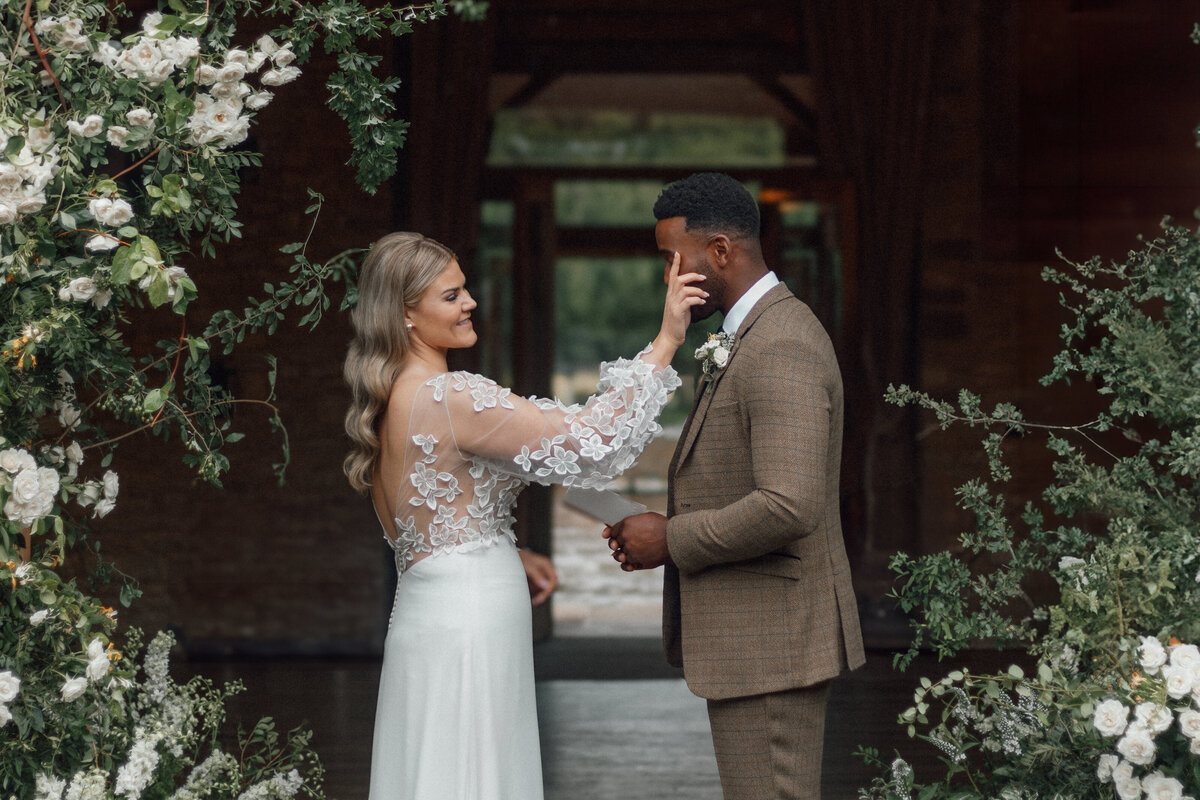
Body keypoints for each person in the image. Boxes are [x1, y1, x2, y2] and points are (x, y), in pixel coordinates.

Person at [342, 231, 704, 800]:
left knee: (437, 766)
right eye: (451, 296)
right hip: (469, 615)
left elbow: (433, 532)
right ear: (406, 314)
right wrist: (664, 343)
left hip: (425, 612)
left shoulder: (389, 399)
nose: (470, 304)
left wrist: (510, 553)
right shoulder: (449, 396)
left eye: (465, 290)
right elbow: (591, 443)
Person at [604, 173, 866, 800]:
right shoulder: (747, 336)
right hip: (757, 643)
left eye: (675, 258)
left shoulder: (780, 343)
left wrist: (672, 539)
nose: (668, 276)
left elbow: (788, 503)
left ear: (720, 251)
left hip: (773, 644)